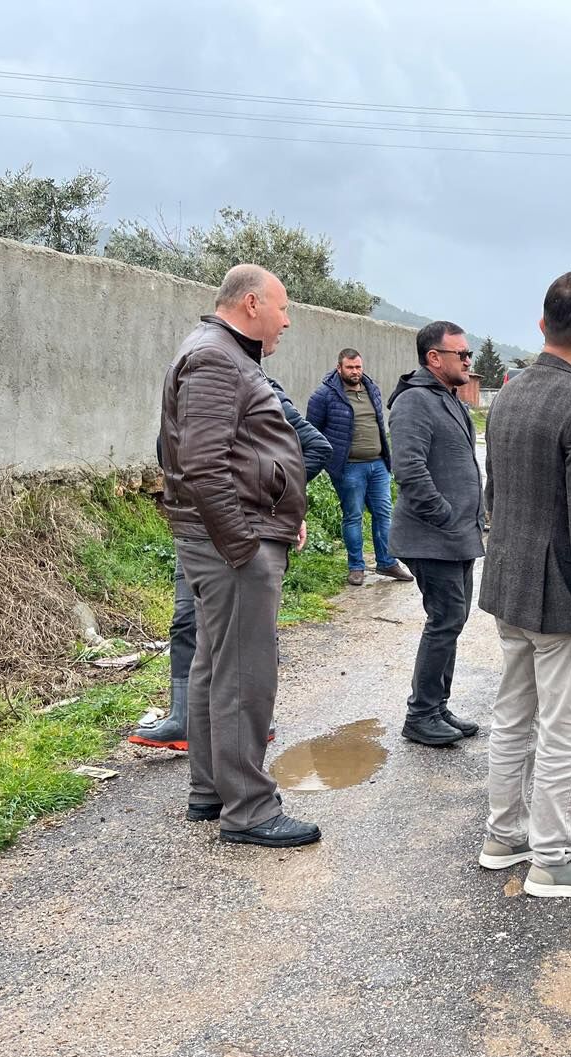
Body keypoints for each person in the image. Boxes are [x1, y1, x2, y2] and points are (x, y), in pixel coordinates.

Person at [158, 264, 321, 848]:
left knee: (215, 663)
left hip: (236, 535)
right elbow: (201, 463)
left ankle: (212, 790)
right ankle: (249, 809)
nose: (286, 320)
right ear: (251, 303)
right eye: (281, 308)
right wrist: (243, 544)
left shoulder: (222, 354)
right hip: (232, 544)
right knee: (245, 672)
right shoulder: (215, 359)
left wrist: (278, 514)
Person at [477, 269, 571, 899]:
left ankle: (503, 836)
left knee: (513, 716)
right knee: (568, 731)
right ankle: (555, 858)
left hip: (509, 586)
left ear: (543, 325)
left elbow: (495, 495)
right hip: (563, 598)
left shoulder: (508, 390)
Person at [131, 375, 331, 751]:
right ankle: (183, 718)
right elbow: (168, 454)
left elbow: (316, 447)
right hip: (195, 528)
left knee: (250, 627)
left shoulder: (261, 390)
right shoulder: (191, 391)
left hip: (243, 529)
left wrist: (279, 504)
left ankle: (257, 719)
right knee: (186, 621)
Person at [386, 320, 486, 748]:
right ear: (433, 358)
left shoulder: (450, 399)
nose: (468, 361)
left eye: (468, 354)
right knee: (444, 619)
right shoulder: (414, 402)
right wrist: (444, 515)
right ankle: (421, 714)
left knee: (454, 619)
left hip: (457, 536)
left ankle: (437, 705)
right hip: (433, 537)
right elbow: (408, 468)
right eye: (461, 354)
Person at [306, 348, 412, 585]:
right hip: (348, 468)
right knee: (353, 516)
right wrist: (328, 461)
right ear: (339, 368)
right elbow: (311, 432)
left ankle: (387, 562)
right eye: (350, 368)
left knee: (384, 513)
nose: (355, 372)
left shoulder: (371, 389)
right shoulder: (323, 396)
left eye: (358, 367)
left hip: (378, 465)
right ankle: (356, 566)